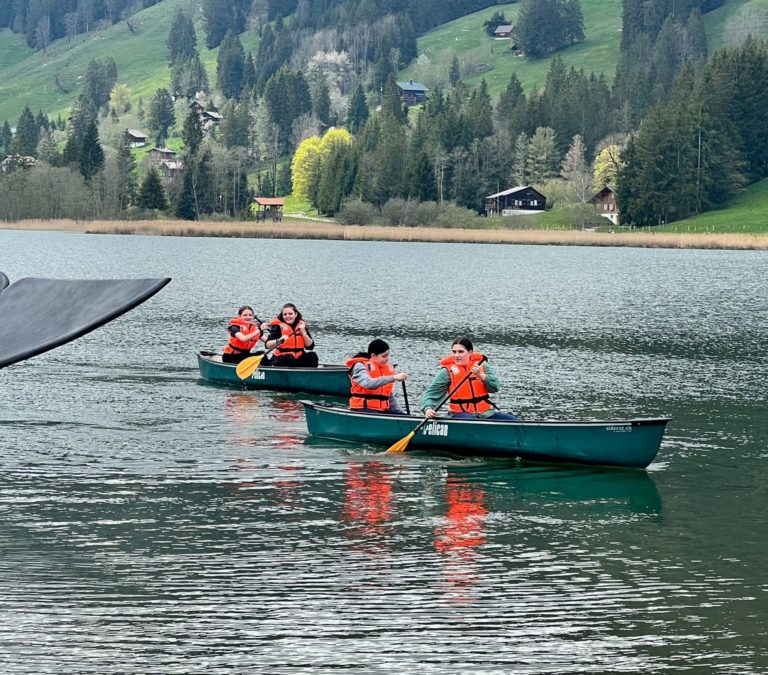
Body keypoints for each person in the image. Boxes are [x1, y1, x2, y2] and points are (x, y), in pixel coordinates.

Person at [421, 337, 518, 420]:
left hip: (485, 413)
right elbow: (432, 393)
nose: (456, 355)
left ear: (470, 352)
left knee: (512, 419)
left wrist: (481, 375)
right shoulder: (446, 371)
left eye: (460, 352)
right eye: (454, 352)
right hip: (459, 415)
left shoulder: (482, 365)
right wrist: (428, 408)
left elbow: (495, 387)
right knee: (472, 420)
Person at [346, 339, 408, 415]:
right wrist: (393, 378)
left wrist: (402, 414)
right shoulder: (360, 365)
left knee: (402, 415)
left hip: (382, 410)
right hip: (361, 408)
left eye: (388, 355)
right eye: (384, 356)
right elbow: (368, 384)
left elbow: (389, 397)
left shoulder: (387, 369)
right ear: (373, 356)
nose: (387, 359)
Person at [264, 303, 319, 367]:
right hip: (281, 358)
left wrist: (303, 332)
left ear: (296, 314)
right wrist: (279, 340)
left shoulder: (301, 326)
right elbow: (267, 345)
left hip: (298, 358)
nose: (287, 316)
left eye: (290, 314)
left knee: (312, 356)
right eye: (285, 314)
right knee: (289, 359)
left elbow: (310, 346)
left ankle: (309, 375)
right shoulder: (278, 327)